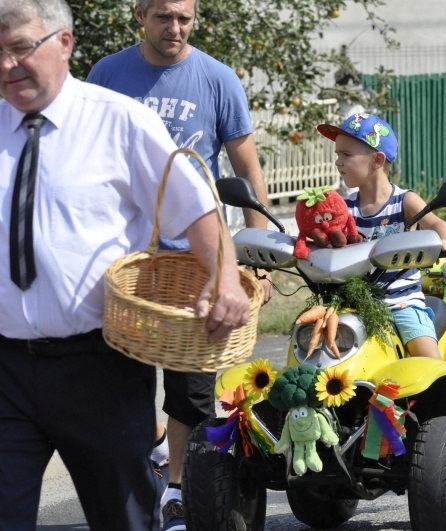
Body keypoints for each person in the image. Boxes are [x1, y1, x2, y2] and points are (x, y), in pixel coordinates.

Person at [0, 0, 251, 529]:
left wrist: (226, 278)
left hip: (100, 366)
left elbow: (196, 208)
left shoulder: (119, 121)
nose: (7, 65)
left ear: (63, 45)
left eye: (21, 48)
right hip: (5, 367)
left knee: (125, 518)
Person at [86, 1, 271, 527]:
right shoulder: (108, 74)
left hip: (195, 258)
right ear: (140, 15)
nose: (176, 28)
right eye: (164, 16)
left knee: (192, 386)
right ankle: (156, 452)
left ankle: (176, 493)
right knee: (123, 377)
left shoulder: (217, 79)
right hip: (127, 259)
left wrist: (256, 256)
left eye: (185, 18)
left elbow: (246, 168)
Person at [317, 113, 446, 359]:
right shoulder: (343, 207)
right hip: (355, 305)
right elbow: (323, 237)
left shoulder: (404, 201)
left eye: (346, 155)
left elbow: (435, 222)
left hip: (402, 302)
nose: (338, 162)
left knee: (428, 359)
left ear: (377, 160)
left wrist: (445, 240)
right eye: (337, 154)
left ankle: (442, 394)